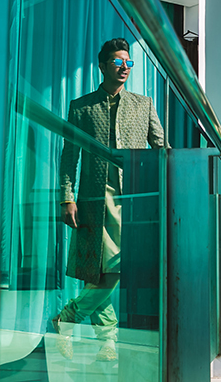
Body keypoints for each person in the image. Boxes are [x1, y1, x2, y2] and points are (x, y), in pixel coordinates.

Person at [53, 38, 166, 362]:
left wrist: (168, 187)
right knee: (101, 270)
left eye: (128, 63)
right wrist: (66, 198)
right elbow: (68, 157)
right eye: (118, 62)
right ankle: (108, 342)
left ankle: (68, 318)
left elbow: (162, 150)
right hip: (93, 199)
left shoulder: (143, 104)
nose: (124, 68)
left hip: (132, 200)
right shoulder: (82, 106)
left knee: (115, 268)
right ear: (102, 66)